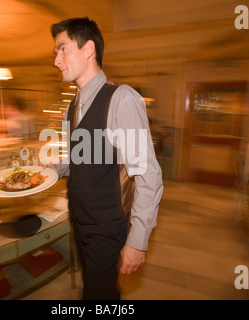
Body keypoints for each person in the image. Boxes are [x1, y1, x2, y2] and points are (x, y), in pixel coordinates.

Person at [47, 17, 163, 300]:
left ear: (88, 49)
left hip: (107, 227)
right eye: (55, 52)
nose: (56, 60)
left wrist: (137, 242)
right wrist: (57, 168)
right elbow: (83, 156)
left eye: (62, 49)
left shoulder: (122, 99)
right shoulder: (72, 106)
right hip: (80, 219)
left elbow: (148, 175)